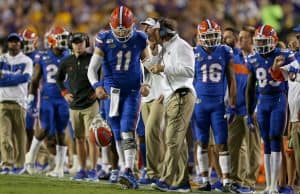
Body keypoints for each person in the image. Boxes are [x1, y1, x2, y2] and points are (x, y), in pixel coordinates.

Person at [87, 6, 150, 189]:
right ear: (111, 26)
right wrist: (97, 86)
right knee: (115, 131)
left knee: (127, 129)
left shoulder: (140, 38)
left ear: (133, 25)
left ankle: (129, 170)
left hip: (132, 91)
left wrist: (146, 83)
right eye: (118, 29)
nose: (122, 33)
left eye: (125, 29)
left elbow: (148, 63)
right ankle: (123, 167)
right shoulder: (104, 38)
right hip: (111, 91)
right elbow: (92, 69)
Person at [246, 24, 299, 194]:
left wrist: (284, 67)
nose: (261, 45)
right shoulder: (253, 58)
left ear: (274, 40)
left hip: (278, 99)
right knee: (266, 141)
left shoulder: (285, 54)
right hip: (263, 100)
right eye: (259, 41)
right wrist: (249, 111)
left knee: (275, 136)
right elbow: (250, 87)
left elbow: (294, 71)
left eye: (264, 41)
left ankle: (275, 185)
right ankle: (269, 185)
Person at [146, 18, 195, 192]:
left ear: (165, 32)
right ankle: (182, 181)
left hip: (182, 94)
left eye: (156, 31)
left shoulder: (181, 46)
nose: (153, 34)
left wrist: (163, 68)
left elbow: (189, 71)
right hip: (171, 96)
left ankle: (166, 180)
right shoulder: (166, 47)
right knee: (178, 142)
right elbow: (154, 69)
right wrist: (152, 55)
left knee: (172, 140)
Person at [193, 19, 237, 192]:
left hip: (218, 103)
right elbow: (190, 79)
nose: (211, 40)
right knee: (202, 141)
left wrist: (232, 104)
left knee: (222, 142)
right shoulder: (193, 52)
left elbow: (232, 79)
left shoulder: (225, 51)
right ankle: (204, 179)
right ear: (200, 37)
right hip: (200, 103)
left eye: (213, 36)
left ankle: (226, 181)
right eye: (207, 36)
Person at [25, 25, 70, 178]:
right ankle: (29, 159)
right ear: (52, 40)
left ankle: (59, 167)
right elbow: (35, 79)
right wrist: (31, 98)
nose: (64, 41)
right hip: (47, 98)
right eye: (61, 38)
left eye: (65, 38)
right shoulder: (42, 55)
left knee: (61, 133)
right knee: (44, 128)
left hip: (63, 99)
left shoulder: (69, 55)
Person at [56, 32, 100, 181]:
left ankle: (93, 170)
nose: (78, 45)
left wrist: (99, 90)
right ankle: (82, 169)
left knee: (91, 139)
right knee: (79, 139)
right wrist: (64, 93)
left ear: (86, 43)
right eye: (75, 42)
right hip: (74, 106)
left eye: (80, 42)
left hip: (90, 105)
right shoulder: (67, 61)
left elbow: (104, 75)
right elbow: (58, 78)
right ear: (71, 44)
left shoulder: (93, 58)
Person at [0, 33, 33, 174]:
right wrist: (14, 78)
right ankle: (7, 163)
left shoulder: (27, 60)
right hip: (2, 101)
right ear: (8, 44)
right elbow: (19, 78)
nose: (14, 44)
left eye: (16, 41)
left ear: (20, 44)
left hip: (19, 102)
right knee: (4, 136)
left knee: (20, 136)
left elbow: (25, 78)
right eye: (11, 41)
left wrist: (4, 77)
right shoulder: (1, 58)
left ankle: (20, 165)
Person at [139, 17, 165, 184]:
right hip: (145, 97)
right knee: (150, 136)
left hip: (159, 95)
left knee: (152, 133)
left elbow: (160, 70)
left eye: (148, 27)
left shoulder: (165, 48)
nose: (146, 30)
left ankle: (155, 172)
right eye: (145, 27)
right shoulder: (142, 48)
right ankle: (154, 171)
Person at [20, 28, 41, 152]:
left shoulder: (38, 57)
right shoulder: (17, 56)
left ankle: (30, 156)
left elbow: (36, 80)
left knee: (30, 127)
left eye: (27, 42)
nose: (25, 45)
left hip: (34, 95)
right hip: (19, 94)